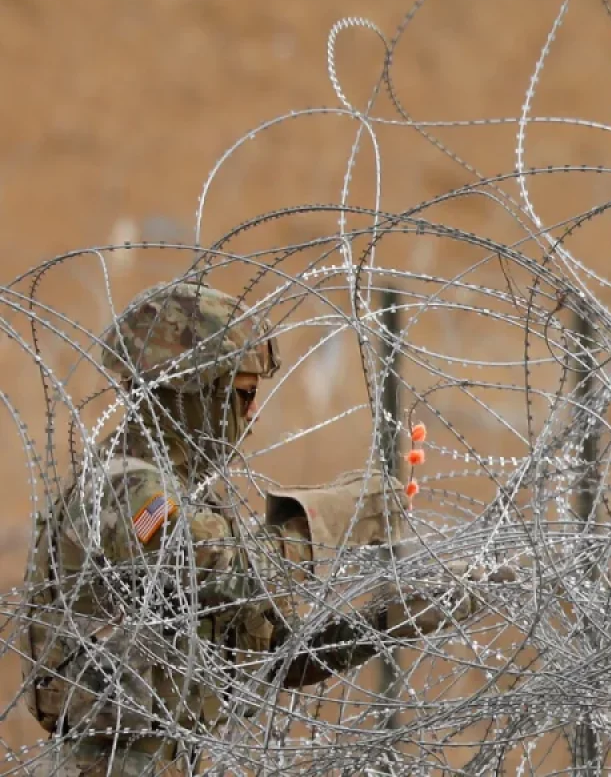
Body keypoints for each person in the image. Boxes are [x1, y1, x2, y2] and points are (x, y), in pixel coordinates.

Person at [18, 279, 511, 775]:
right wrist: (334, 516)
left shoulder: (183, 496)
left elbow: (272, 657)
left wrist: (390, 620)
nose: (251, 414)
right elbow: (229, 576)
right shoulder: (129, 491)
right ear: (194, 390)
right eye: (242, 394)